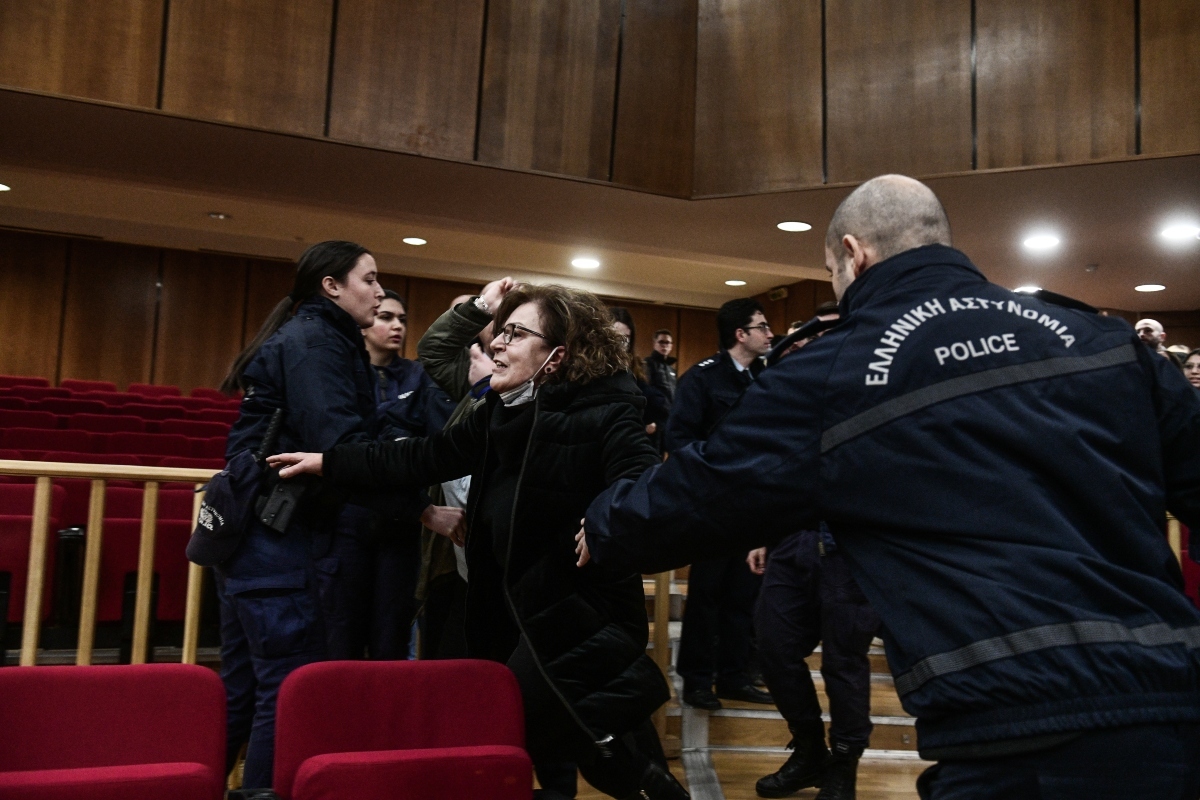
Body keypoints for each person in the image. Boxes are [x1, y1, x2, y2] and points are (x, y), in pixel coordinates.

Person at [578, 175, 1200, 799]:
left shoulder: (837, 370)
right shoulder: (1104, 342)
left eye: (831, 272)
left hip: (1017, 726)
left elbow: (704, 491)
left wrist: (603, 525)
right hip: (1176, 698)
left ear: (854, 254)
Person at [270, 285, 687, 800]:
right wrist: (330, 463)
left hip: (575, 620)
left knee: (559, 738)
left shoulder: (607, 411)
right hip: (519, 618)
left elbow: (643, 483)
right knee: (604, 749)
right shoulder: (499, 411)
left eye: (516, 334)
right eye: (502, 331)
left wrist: (608, 518)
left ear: (556, 357)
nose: (497, 343)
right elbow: (423, 457)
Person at [214, 240, 385, 791]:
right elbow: (341, 443)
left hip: (252, 541)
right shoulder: (316, 342)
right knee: (284, 689)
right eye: (369, 279)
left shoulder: (309, 335)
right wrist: (421, 505)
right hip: (277, 541)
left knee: (246, 688)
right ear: (331, 286)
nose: (379, 292)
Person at [747, 304, 881, 800]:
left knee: (843, 662)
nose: (806, 345)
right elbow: (776, 465)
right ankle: (808, 751)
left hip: (853, 547)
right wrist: (763, 531)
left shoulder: (877, 382)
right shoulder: (799, 388)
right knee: (773, 645)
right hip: (793, 537)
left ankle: (844, 762)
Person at [322, 289, 456, 660]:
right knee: (342, 635)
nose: (397, 326)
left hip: (403, 518)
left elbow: (425, 440)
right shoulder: (344, 372)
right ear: (364, 325)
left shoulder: (418, 375)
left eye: (402, 319)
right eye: (386, 317)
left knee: (391, 636)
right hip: (349, 517)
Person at [668, 297, 774, 710]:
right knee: (706, 595)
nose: (770, 334)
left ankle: (734, 675)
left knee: (743, 596)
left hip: (752, 503)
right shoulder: (703, 378)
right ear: (740, 334)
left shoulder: (766, 378)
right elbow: (679, 440)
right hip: (712, 502)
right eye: (762, 326)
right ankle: (697, 680)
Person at [414, 278, 513, 661]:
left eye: (514, 328)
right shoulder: (474, 372)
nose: (501, 337)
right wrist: (482, 304)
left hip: (502, 561)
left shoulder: (525, 383)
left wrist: (487, 385)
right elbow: (434, 349)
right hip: (457, 553)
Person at [610, 307, 671, 441]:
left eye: (626, 337)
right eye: (616, 337)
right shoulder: (594, 367)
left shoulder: (633, 367)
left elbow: (650, 397)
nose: (622, 343)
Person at [644, 329, 678, 403]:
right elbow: (646, 389)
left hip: (671, 408)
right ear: (654, 344)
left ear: (671, 346)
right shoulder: (647, 364)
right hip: (654, 408)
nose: (664, 345)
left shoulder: (671, 369)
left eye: (667, 342)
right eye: (661, 342)